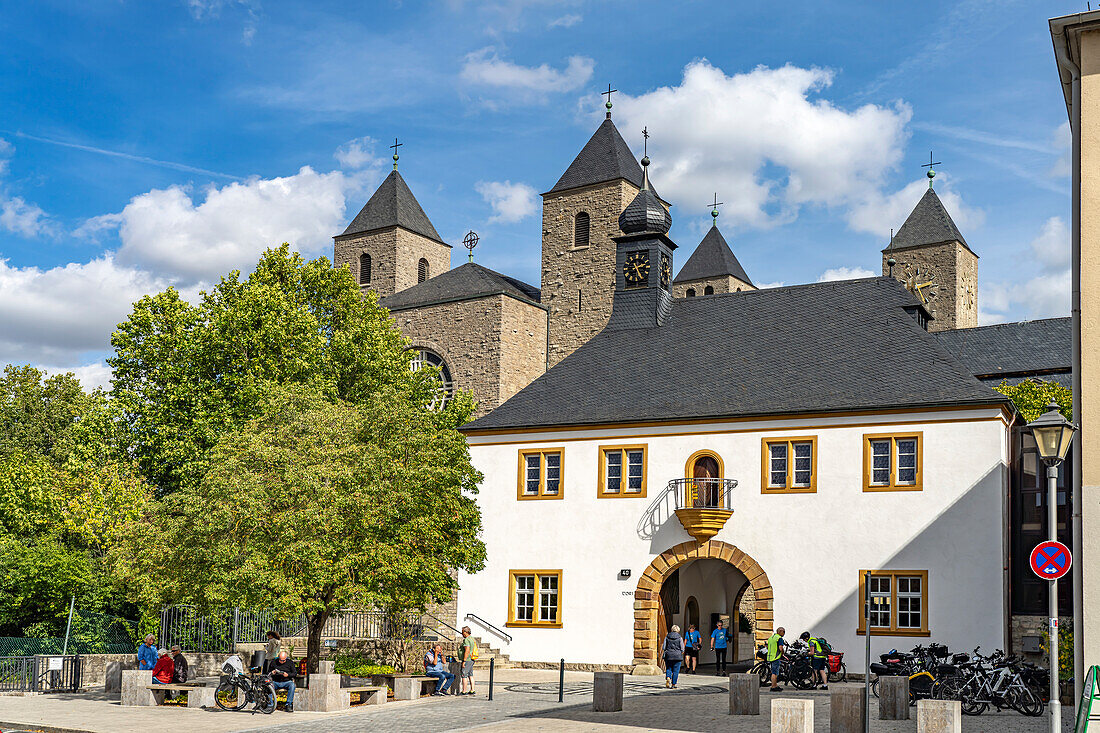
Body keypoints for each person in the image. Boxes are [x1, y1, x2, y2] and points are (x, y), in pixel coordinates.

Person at [662, 624, 685, 689]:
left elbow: (664, 647)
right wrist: (681, 652)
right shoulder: (680, 638)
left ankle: (668, 677)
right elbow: (682, 647)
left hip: (669, 655)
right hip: (677, 656)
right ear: (678, 630)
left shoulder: (667, 637)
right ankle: (673, 684)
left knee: (668, 668)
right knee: (676, 671)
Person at [766, 627, 789, 692]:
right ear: (780, 631)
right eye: (783, 632)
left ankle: (775, 685)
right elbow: (780, 648)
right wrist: (782, 653)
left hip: (770, 657)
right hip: (776, 657)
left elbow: (767, 646)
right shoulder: (779, 638)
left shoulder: (771, 638)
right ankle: (773, 687)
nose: (784, 633)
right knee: (775, 673)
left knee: (773, 672)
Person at [459, 626, 477, 696]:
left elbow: (467, 650)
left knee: (464, 675)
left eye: (462, 632)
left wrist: (464, 661)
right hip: (472, 659)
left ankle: (464, 691)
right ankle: (472, 690)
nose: (462, 634)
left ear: (466, 632)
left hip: (468, 659)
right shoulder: (472, 639)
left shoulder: (467, 640)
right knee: (470, 675)